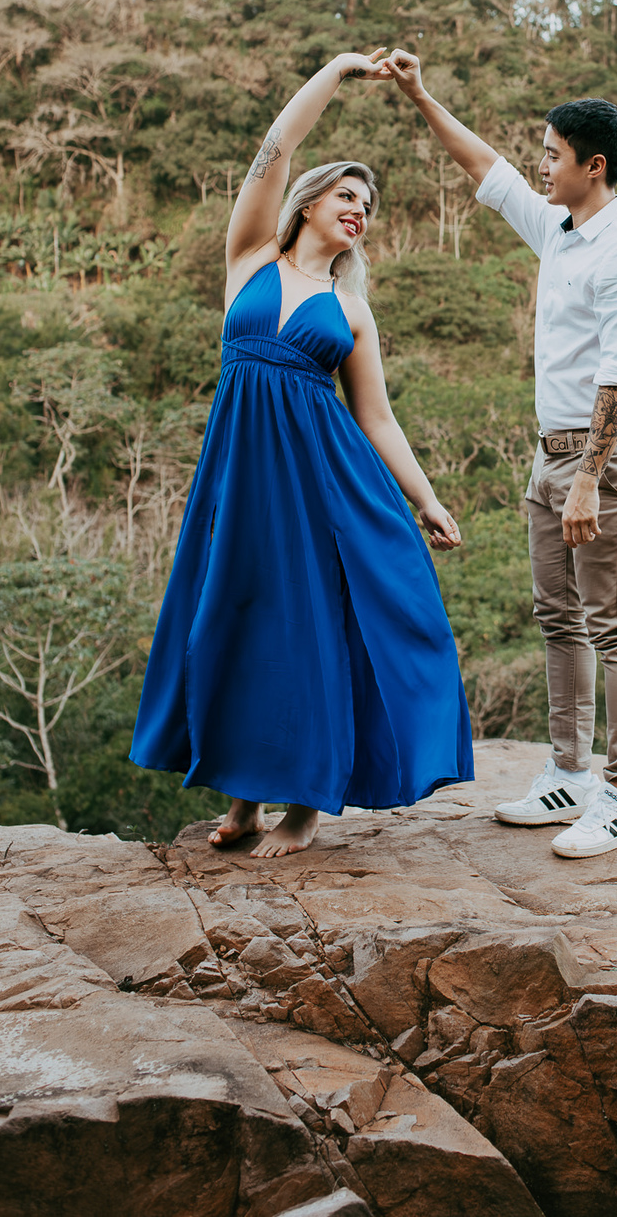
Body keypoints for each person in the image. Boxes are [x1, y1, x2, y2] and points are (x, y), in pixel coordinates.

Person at [131, 49, 474, 857]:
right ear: (309, 201)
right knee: (234, 616)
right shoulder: (248, 258)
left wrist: (425, 500)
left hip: (320, 482)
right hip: (241, 476)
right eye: (346, 195)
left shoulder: (351, 311)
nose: (360, 208)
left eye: (370, 203)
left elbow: (378, 419)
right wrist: (339, 69)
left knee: (311, 626)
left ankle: (306, 808)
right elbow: (274, 147)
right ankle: (241, 796)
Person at [386, 52, 617, 858]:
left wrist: (587, 481)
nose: (541, 165)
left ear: (594, 166)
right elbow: (486, 167)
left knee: (614, 624)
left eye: (553, 154)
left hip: (602, 461)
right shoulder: (561, 226)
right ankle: (570, 774)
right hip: (551, 457)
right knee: (556, 618)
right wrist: (420, 92)